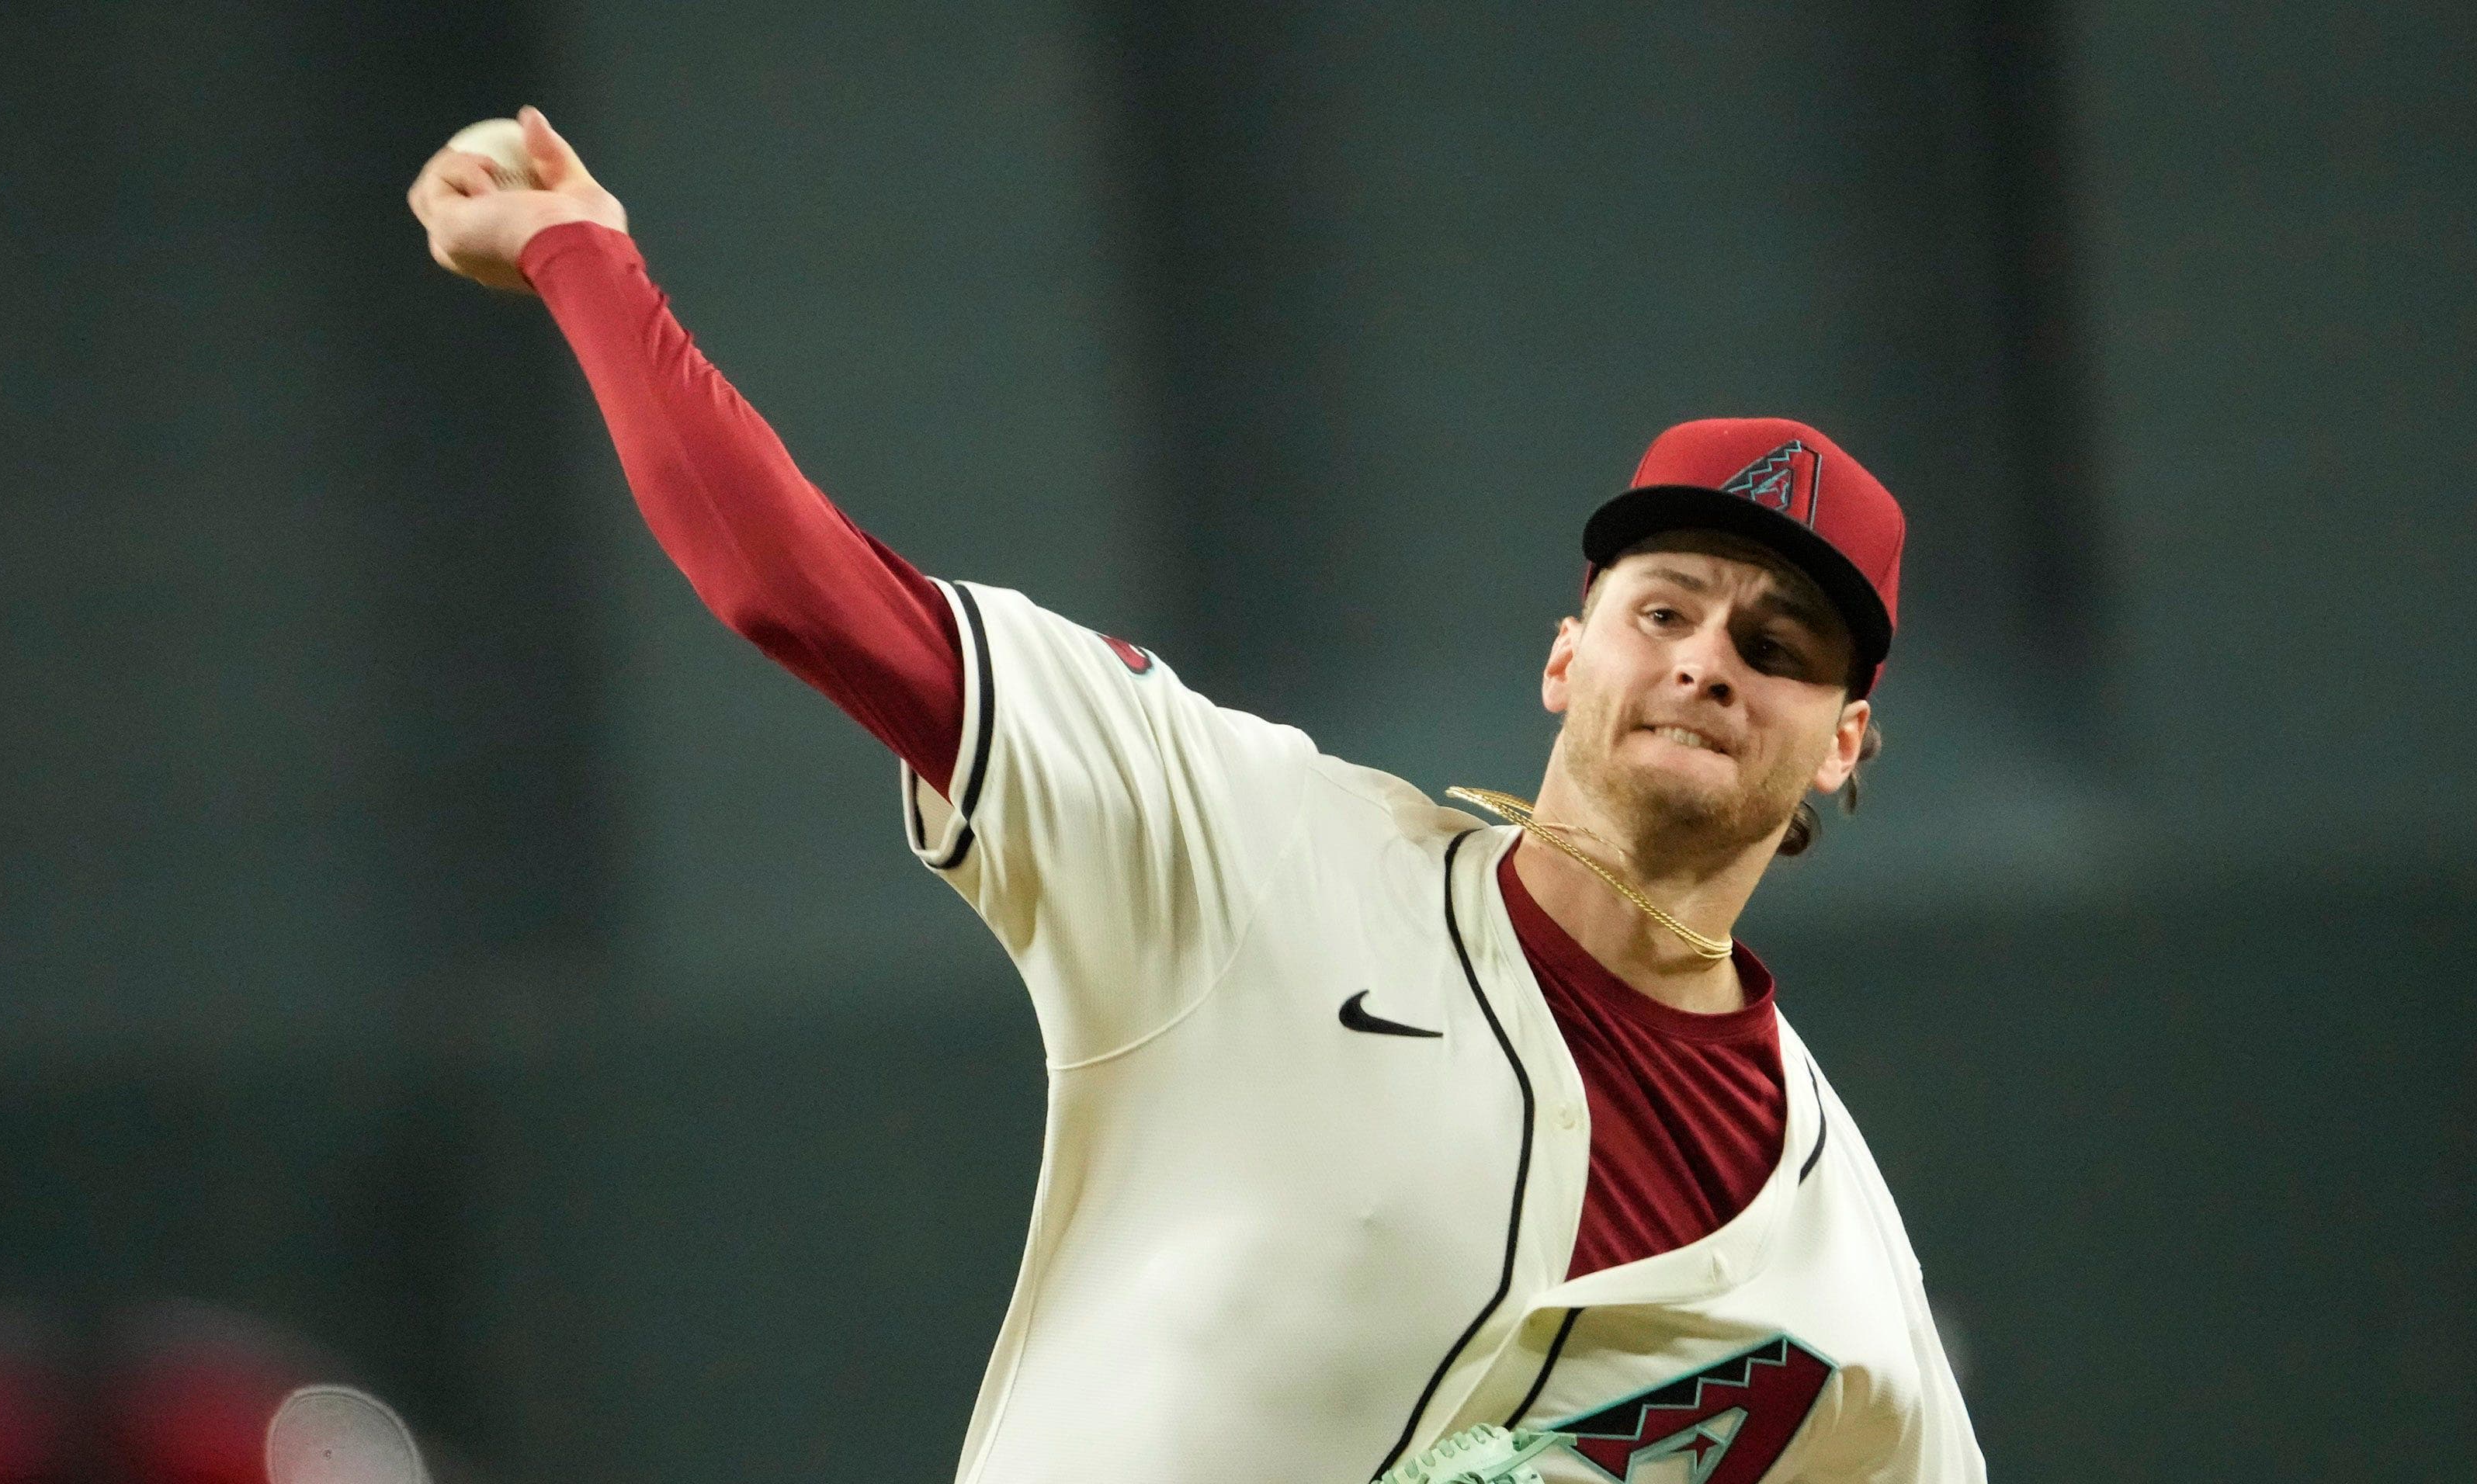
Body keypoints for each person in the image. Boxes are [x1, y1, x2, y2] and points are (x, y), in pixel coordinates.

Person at [408, 108, 1983, 1484]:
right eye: (1664, 609)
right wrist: (578, 254)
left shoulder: (1835, 1286)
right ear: (1565, 656)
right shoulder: (1247, 846)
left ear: (1840, 741)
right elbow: (796, 588)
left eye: (1775, 646)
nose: (1707, 658)